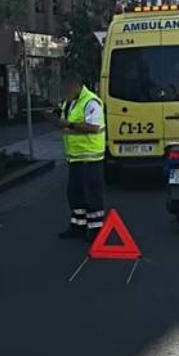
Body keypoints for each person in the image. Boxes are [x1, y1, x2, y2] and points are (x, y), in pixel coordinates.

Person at [55, 71, 106, 240]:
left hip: (90, 158)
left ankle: (96, 229)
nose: (65, 90)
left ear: (76, 85)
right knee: (75, 194)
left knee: (91, 194)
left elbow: (93, 127)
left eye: (67, 87)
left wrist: (69, 124)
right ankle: (78, 226)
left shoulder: (91, 101)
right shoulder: (70, 102)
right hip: (75, 157)